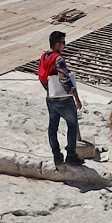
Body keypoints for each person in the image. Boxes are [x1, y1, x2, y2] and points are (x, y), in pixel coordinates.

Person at [39, 30, 84, 167]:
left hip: (51, 97)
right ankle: (71, 155)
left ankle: (57, 156)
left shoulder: (44, 56)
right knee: (72, 125)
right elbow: (64, 78)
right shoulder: (58, 58)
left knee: (53, 127)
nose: (65, 45)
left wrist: (48, 89)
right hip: (63, 99)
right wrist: (75, 96)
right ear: (57, 44)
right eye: (63, 43)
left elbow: (42, 76)